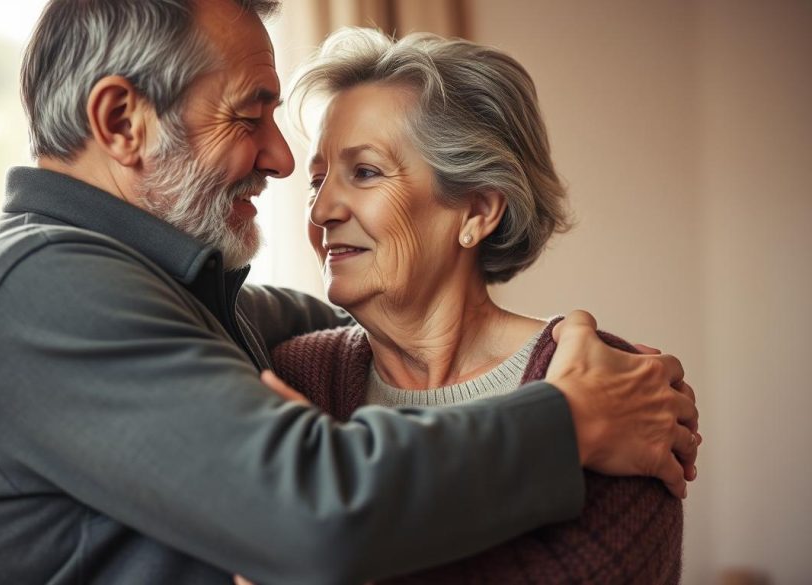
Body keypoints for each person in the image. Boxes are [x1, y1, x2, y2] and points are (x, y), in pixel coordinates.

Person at [0, 1, 699, 583]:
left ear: (477, 209)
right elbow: (316, 507)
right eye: (248, 114)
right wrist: (572, 418)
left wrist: (587, 368)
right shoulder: (45, 290)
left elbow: (353, 328)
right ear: (122, 119)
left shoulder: (191, 304)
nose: (284, 162)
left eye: (362, 171)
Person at [253, 28, 687, 584]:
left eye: (364, 172)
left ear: (478, 211)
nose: (322, 211)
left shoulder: (620, 392)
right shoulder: (297, 375)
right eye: (318, 182)